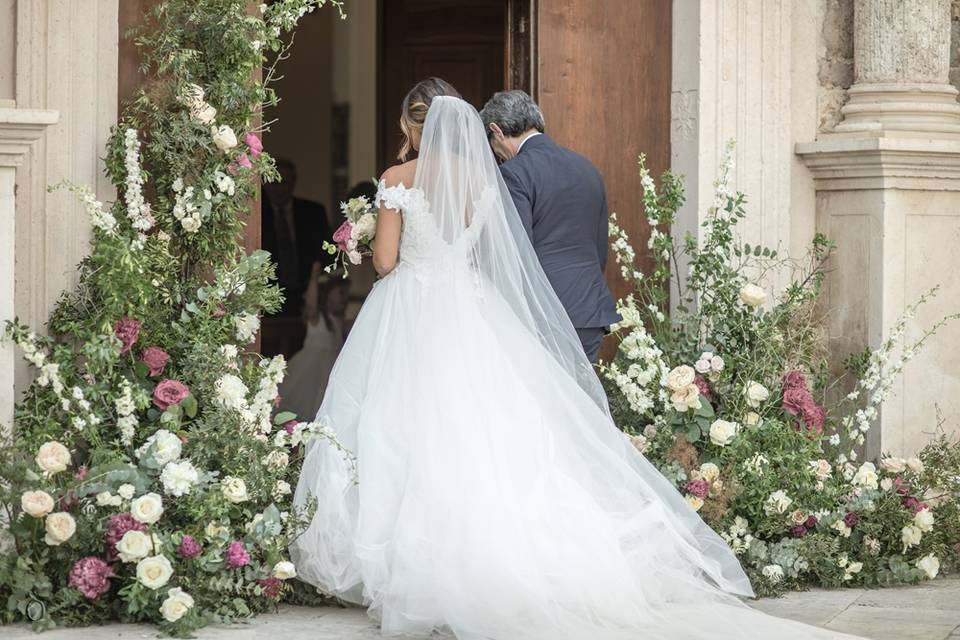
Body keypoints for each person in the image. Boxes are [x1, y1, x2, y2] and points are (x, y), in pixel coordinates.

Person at [291, 78, 863, 640]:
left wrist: (369, 238)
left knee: (400, 428)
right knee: (486, 431)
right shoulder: (484, 181)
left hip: (411, 313)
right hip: (473, 313)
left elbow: (387, 263)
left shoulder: (397, 180)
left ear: (412, 126)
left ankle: (403, 568)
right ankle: (499, 557)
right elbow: (500, 254)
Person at [479, 90, 620, 363]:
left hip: (543, 313)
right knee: (581, 402)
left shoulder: (514, 173)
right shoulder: (586, 168)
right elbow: (600, 248)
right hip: (589, 309)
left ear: (496, 131)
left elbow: (515, 250)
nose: (496, 156)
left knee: (542, 403)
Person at [276, 261, 349, 421]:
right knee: (306, 401)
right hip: (312, 367)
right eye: (340, 294)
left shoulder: (339, 321)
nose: (344, 298)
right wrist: (314, 277)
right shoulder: (317, 317)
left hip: (332, 366)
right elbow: (311, 302)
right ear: (326, 294)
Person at [262, 158, 332, 315]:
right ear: (264, 182)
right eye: (274, 182)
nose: (279, 189)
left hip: (307, 293)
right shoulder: (255, 214)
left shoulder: (313, 212)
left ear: (294, 182)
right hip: (265, 294)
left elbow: (327, 252)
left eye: (284, 182)